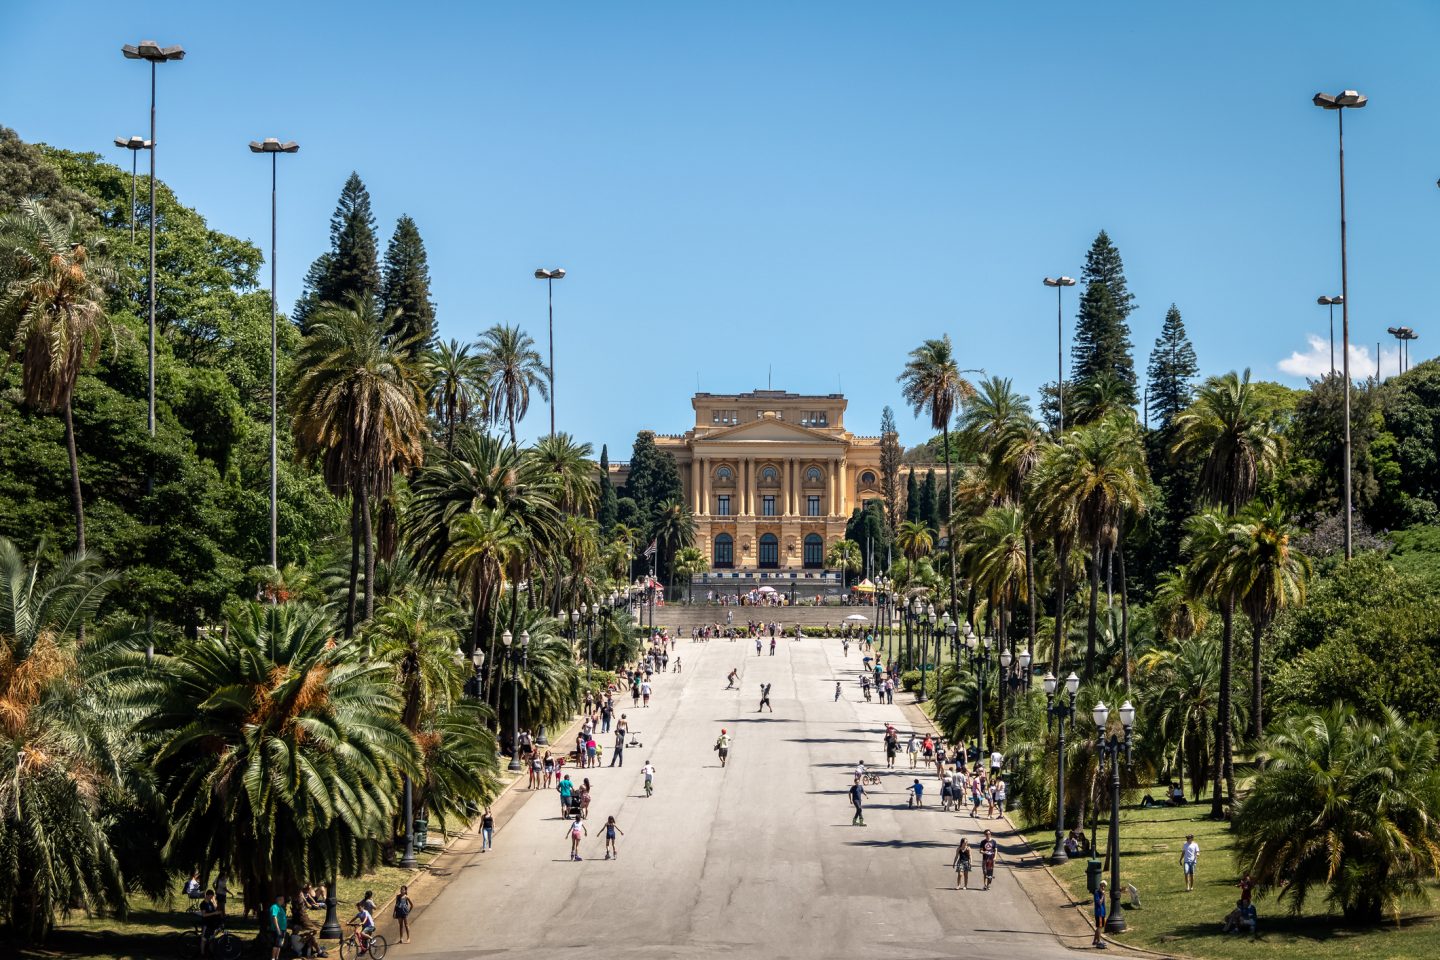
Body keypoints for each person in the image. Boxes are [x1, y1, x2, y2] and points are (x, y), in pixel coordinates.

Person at [198, 889, 222, 956]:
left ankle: (211, 952)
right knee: (203, 939)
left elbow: (214, 911)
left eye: (212, 897)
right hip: (206, 923)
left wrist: (217, 911)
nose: (211, 898)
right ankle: (202, 953)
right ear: (207, 895)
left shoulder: (210, 903)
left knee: (211, 938)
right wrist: (214, 913)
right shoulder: (203, 904)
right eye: (211, 897)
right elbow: (204, 915)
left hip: (211, 923)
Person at [268, 894, 288, 960]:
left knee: (279, 945)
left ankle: (277, 958)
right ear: (279, 900)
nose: (283, 901)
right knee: (276, 945)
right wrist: (278, 929)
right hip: (277, 929)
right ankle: (273, 958)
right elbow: (274, 917)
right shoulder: (275, 907)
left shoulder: (280, 907)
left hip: (282, 929)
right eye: (282, 899)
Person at [1092, 880, 1108, 948]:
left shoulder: (1102, 893)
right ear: (1100, 886)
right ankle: (1098, 941)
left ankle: (1095, 940)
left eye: (1104, 886)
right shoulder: (1097, 893)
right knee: (1099, 927)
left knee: (1099, 927)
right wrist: (1102, 896)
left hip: (1102, 912)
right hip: (1099, 913)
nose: (1103, 888)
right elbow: (1099, 903)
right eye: (1102, 886)